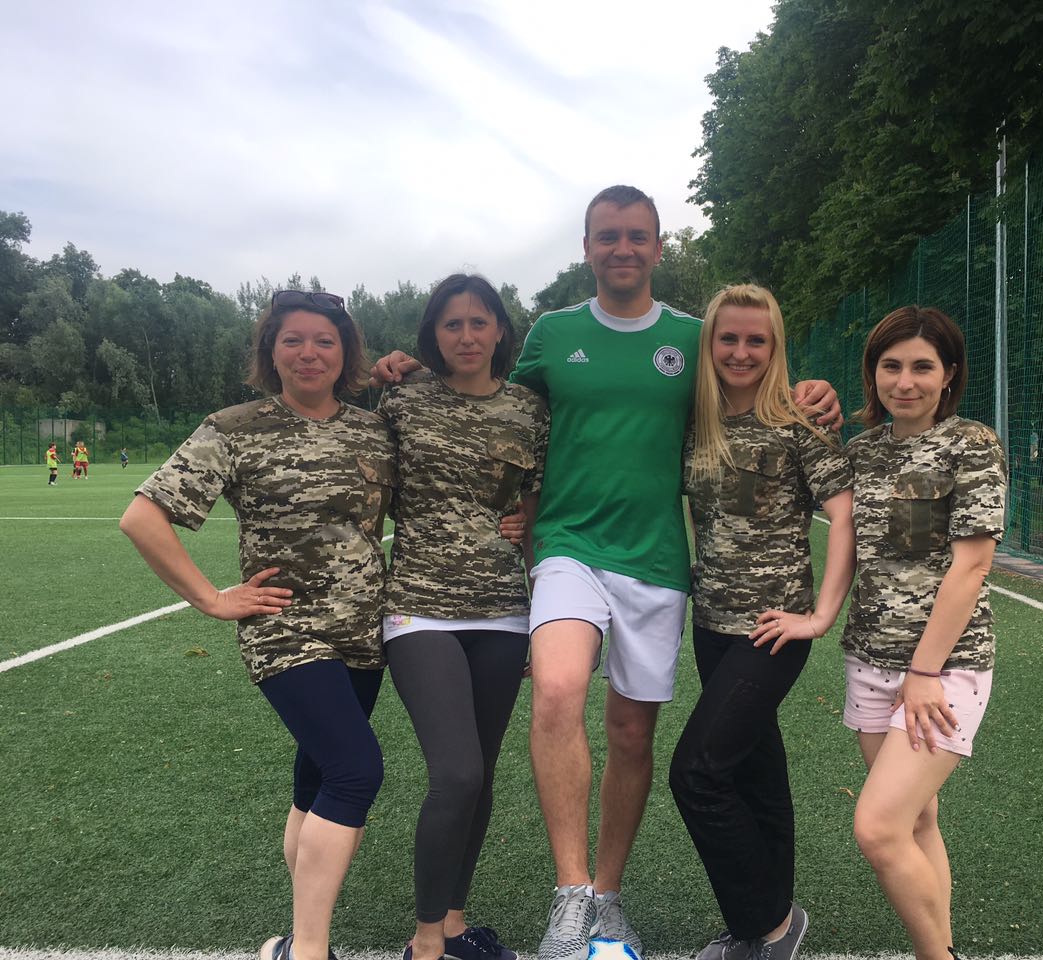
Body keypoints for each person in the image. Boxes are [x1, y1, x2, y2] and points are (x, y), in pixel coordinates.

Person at [372, 185, 840, 960]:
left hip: (657, 561)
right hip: (568, 546)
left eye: (636, 235)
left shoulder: (694, 337)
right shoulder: (554, 333)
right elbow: (489, 392)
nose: (622, 248)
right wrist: (415, 365)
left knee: (630, 731)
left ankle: (609, 897)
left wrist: (810, 390)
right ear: (587, 248)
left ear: (658, 246)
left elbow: (751, 374)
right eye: (607, 236)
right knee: (557, 689)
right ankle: (570, 895)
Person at [119, 290, 395, 960]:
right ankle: (309, 950)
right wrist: (211, 599)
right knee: (356, 771)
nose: (309, 353)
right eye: (292, 339)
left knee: (318, 781)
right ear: (271, 351)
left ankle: (290, 940)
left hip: (365, 634)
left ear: (346, 352)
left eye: (324, 340)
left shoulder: (373, 430)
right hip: (286, 631)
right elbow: (143, 517)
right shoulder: (234, 428)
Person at [669, 285, 854, 960]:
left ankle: (766, 924)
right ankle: (772, 924)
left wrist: (820, 616)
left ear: (775, 346)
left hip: (772, 630)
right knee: (754, 770)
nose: (741, 352)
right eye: (729, 338)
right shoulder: (693, 421)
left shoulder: (799, 422)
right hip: (711, 625)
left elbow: (845, 516)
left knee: (696, 773)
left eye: (757, 340)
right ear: (709, 343)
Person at [379, 274, 548, 960]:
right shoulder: (400, 399)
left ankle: (453, 924)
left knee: (480, 775)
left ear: (501, 330)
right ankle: (425, 944)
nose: (468, 336)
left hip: (502, 611)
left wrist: (526, 534)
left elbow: (538, 503)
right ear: (433, 333)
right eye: (453, 324)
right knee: (456, 774)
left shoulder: (529, 410)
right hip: (419, 607)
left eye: (480, 322)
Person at [841, 306, 1006, 960]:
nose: (904, 381)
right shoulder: (861, 452)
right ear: (873, 373)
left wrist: (924, 672)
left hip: (943, 668)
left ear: (949, 374)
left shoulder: (972, 444)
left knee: (878, 828)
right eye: (891, 366)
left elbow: (972, 566)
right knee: (915, 820)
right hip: (869, 659)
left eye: (922, 367)